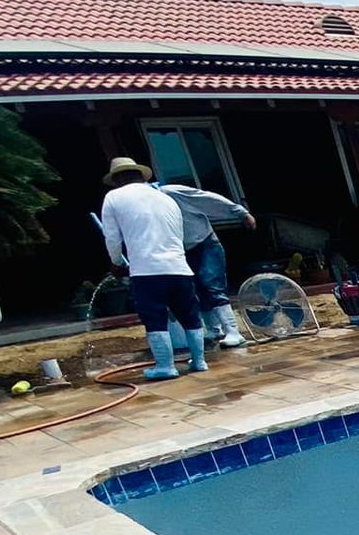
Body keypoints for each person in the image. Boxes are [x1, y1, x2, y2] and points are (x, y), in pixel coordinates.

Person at [99, 157, 206, 379]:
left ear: (118, 179)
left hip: (147, 272)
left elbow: (112, 238)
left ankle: (166, 367)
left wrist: (117, 263)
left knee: (155, 317)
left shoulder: (114, 197)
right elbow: (178, 233)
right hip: (180, 268)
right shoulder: (165, 198)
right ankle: (199, 361)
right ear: (140, 175)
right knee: (190, 316)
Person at [162, 182, 253, 348]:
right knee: (196, 289)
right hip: (181, 248)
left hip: (204, 243)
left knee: (211, 284)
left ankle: (232, 330)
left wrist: (239, 212)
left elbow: (207, 199)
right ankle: (213, 329)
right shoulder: (140, 204)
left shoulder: (171, 192)